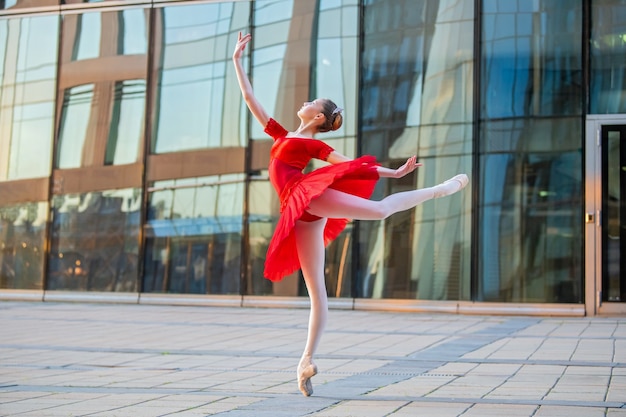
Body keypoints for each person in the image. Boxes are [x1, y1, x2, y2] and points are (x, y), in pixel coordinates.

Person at [233, 32, 468, 397]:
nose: (306, 100)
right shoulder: (282, 134)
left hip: (306, 196)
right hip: (301, 213)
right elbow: (250, 98)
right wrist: (237, 60)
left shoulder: (312, 142)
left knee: (380, 210)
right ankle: (305, 362)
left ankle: (443, 188)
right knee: (318, 294)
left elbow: (351, 166)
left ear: (319, 116)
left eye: (312, 101)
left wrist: (393, 173)